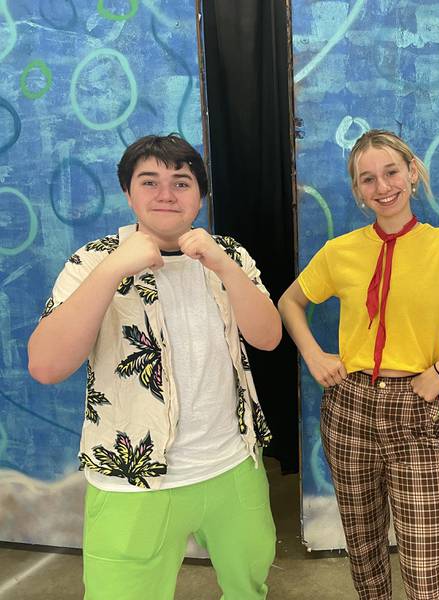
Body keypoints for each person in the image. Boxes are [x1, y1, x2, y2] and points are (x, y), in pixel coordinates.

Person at [28, 134, 282, 600]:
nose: (166, 194)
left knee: (249, 588)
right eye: (150, 181)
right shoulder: (92, 260)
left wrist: (224, 267)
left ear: (200, 196)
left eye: (181, 182)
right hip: (132, 480)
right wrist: (112, 272)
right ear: (128, 193)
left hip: (232, 465)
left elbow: (268, 337)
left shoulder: (227, 254)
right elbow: (45, 366)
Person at [278, 129, 439, 599]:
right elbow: (290, 302)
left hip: (415, 406)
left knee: (424, 565)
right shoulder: (340, 252)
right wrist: (314, 354)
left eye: (391, 171)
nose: (382, 186)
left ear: (412, 173)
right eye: (367, 179)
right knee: (365, 554)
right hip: (347, 408)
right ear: (357, 191)